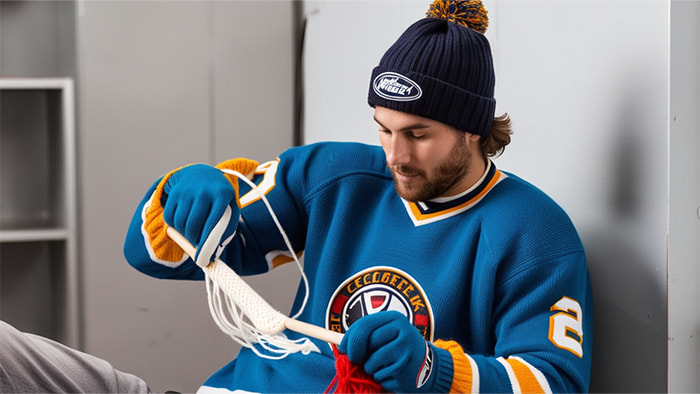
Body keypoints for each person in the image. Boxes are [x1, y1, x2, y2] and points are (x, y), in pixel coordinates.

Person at [0, 0, 592, 393]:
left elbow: (555, 381)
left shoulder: (534, 232)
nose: (394, 155)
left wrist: (433, 370)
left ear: (472, 128)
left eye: (417, 135)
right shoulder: (337, 176)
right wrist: (180, 194)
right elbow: (151, 257)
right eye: (383, 129)